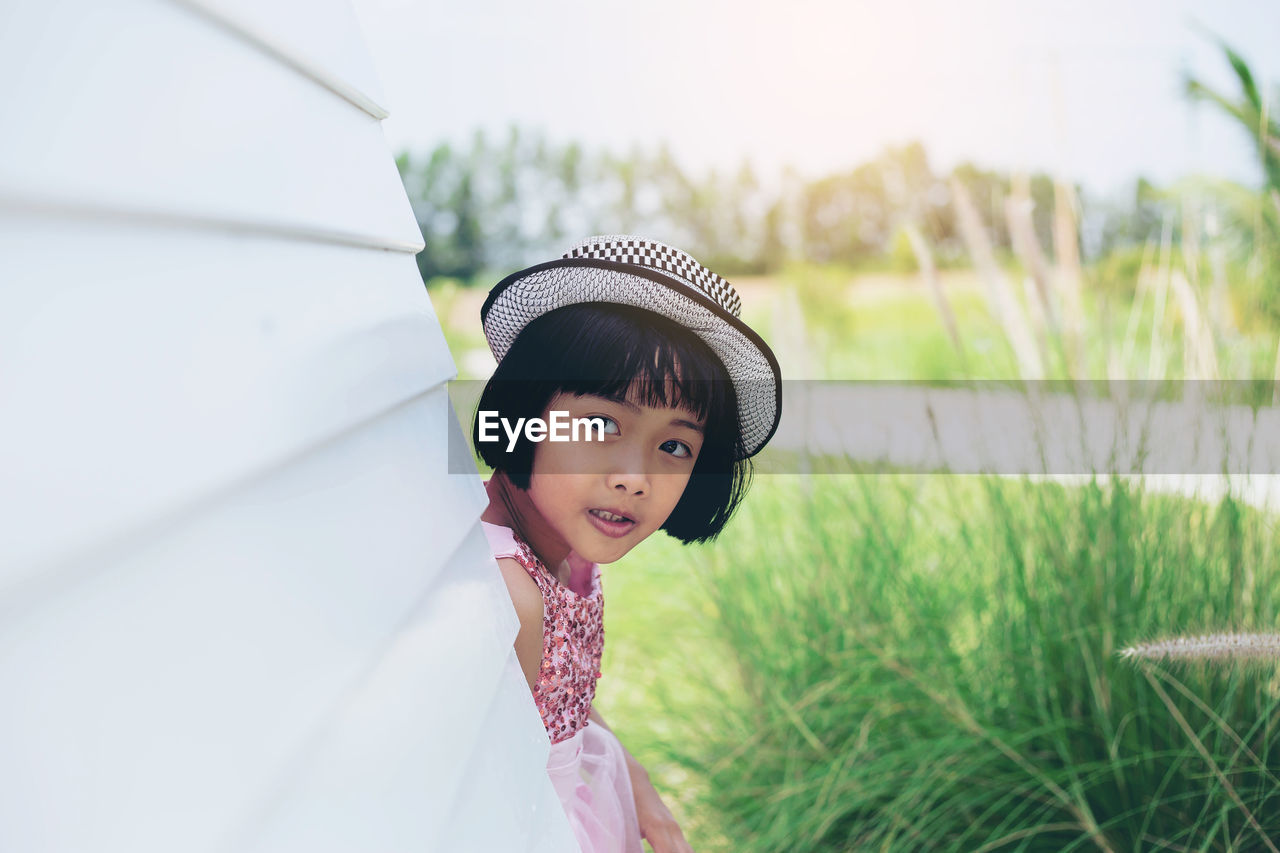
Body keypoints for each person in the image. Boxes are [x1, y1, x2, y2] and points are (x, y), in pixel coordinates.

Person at [471, 236, 781, 852]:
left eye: (674, 447)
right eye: (599, 424)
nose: (634, 478)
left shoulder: (562, 541)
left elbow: (561, 698)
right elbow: (489, 810)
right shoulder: (509, 596)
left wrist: (635, 782)